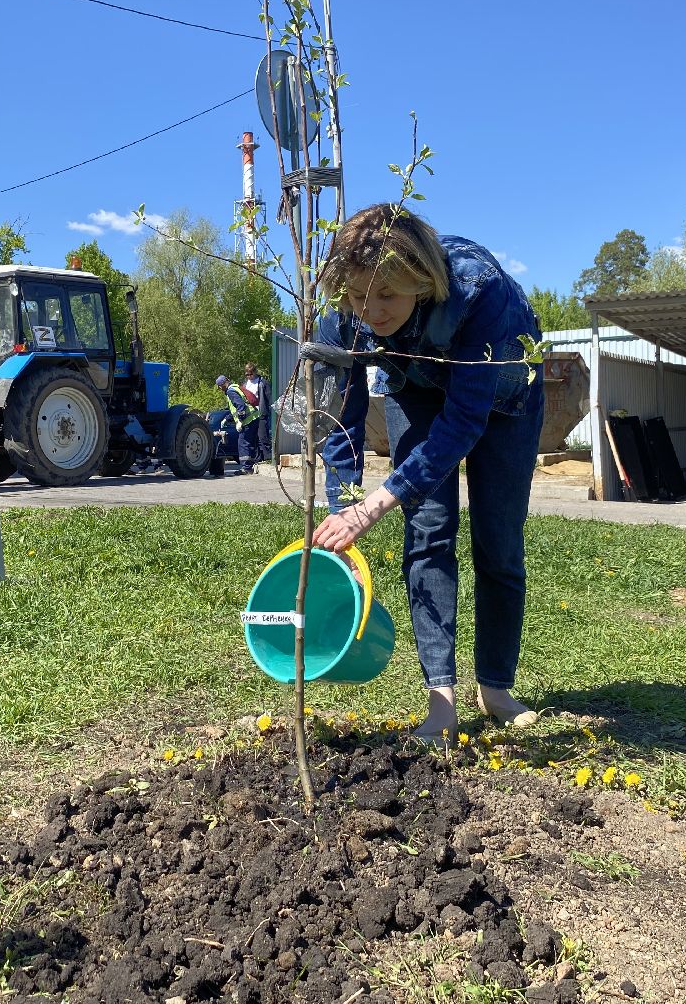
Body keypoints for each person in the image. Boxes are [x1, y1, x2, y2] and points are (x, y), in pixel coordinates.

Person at [307, 203, 544, 739]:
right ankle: (442, 701)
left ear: (421, 279)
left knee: (499, 542)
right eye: (359, 298)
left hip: (505, 398)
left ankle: (496, 687)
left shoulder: (480, 293)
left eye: (388, 295)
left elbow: (463, 422)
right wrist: (344, 507)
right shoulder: (345, 314)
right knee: (429, 531)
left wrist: (373, 506)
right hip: (414, 388)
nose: (373, 313)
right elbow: (339, 423)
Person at [214, 375, 256, 474]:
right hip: (253, 417)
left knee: (243, 443)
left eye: (219, 387)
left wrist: (240, 421)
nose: (220, 389)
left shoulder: (230, 392)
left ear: (221, 385)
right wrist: (227, 418)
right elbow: (235, 410)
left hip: (248, 420)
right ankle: (251, 465)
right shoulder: (235, 388)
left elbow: (240, 406)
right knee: (250, 443)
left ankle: (246, 468)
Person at [243, 362, 273, 463]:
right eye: (247, 374)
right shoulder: (245, 384)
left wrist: (269, 411)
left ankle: (267, 457)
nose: (249, 376)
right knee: (252, 437)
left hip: (261, 413)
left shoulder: (262, 383)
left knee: (263, 436)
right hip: (250, 415)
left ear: (255, 372)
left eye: (250, 374)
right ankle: (257, 458)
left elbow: (270, 398)